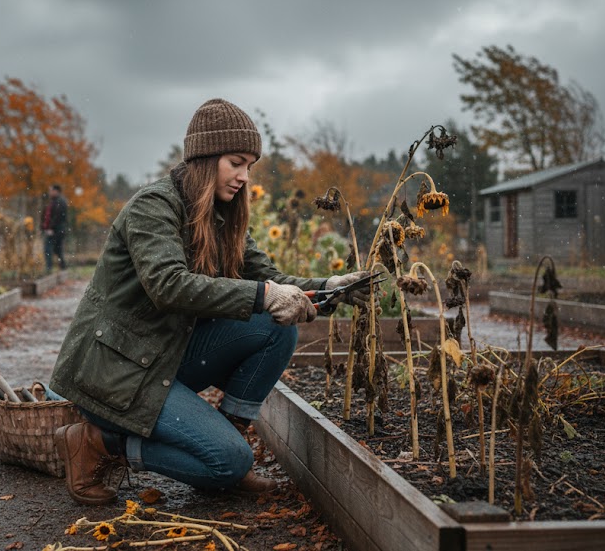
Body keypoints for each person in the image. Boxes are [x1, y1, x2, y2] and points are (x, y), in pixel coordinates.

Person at [49, 98, 373, 506]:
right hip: (118, 372)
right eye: (236, 163)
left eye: (250, 166)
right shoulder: (153, 207)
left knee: (276, 328)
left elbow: (266, 278)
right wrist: (265, 295)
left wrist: (330, 288)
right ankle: (100, 442)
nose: (244, 177)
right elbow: (169, 285)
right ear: (205, 158)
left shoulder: (221, 215)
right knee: (227, 463)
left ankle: (226, 438)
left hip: (164, 357)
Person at [42, 184, 69, 272]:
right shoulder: (56, 201)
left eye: (51, 190)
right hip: (58, 229)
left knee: (48, 248)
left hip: (56, 230)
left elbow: (57, 217)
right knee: (57, 250)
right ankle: (63, 267)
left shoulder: (59, 202)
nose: (49, 193)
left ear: (56, 191)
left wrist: (51, 228)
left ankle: (49, 268)